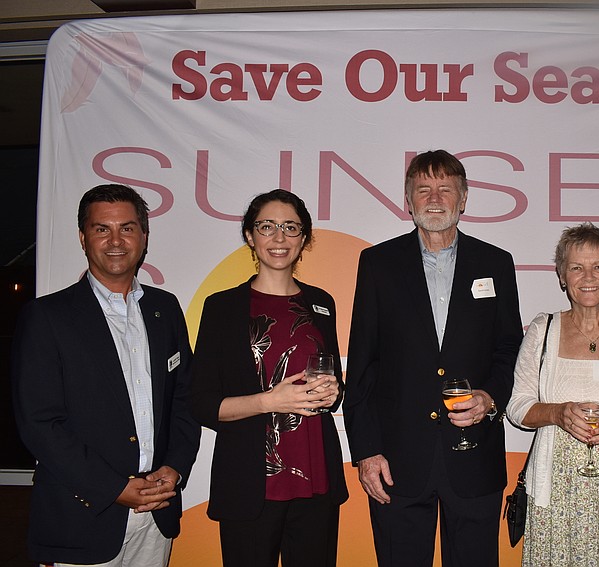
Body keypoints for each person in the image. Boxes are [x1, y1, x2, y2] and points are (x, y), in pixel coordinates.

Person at [343, 149, 523, 567]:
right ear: (409, 200)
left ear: (464, 198)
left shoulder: (495, 263)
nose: (435, 198)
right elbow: (364, 363)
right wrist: (366, 451)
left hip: (475, 457)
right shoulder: (378, 264)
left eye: (446, 188)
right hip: (396, 462)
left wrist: (490, 397)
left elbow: (509, 348)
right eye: (424, 189)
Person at [11, 184, 200, 567]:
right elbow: (39, 423)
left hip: (157, 511)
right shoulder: (46, 317)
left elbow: (185, 399)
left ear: (144, 236)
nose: (116, 241)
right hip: (82, 516)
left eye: (127, 228)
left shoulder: (165, 309)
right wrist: (113, 488)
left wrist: (175, 468)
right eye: (102, 229)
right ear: (83, 238)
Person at [190, 189, 347, 567]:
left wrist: (334, 392)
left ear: (304, 238)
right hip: (249, 483)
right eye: (267, 226)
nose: (280, 237)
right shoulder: (221, 307)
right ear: (250, 235)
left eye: (291, 227)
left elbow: (334, 383)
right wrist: (269, 401)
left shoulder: (321, 303)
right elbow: (201, 403)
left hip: (316, 479)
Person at [506, 223, 599, 566]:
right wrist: (558, 413)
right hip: (555, 495)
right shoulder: (542, 331)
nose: (588, 277)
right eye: (576, 267)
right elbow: (517, 406)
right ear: (562, 276)